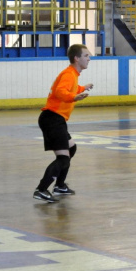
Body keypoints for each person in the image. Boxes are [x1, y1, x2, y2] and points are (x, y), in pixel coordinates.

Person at [34, 44, 93, 203]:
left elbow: (70, 88)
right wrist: (73, 98)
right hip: (53, 119)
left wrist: (82, 88)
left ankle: (59, 185)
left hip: (55, 119)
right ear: (77, 58)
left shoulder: (73, 75)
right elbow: (61, 91)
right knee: (63, 158)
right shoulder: (69, 74)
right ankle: (41, 189)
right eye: (86, 56)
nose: (89, 58)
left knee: (71, 148)